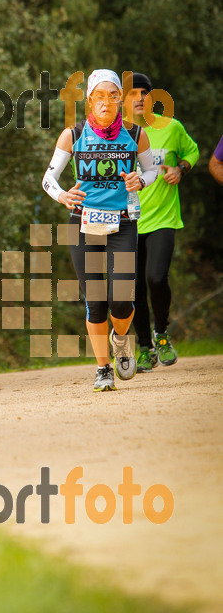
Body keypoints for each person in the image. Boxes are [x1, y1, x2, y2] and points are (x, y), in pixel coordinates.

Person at [42, 69, 157, 392]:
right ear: (90, 100)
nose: (106, 102)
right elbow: (48, 179)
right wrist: (63, 195)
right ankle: (103, 368)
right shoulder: (73, 135)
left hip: (122, 223)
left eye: (113, 95)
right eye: (99, 96)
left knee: (121, 300)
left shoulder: (136, 136)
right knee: (95, 300)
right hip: (83, 225)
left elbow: (152, 171)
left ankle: (121, 339)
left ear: (120, 99)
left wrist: (141, 180)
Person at [123, 73, 199, 373]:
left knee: (156, 278)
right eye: (133, 93)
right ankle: (144, 347)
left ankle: (162, 333)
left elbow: (192, 151)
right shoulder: (116, 134)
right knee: (134, 287)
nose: (140, 97)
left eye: (145, 92)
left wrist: (181, 169)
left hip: (164, 218)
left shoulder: (171, 127)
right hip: (129, 220)